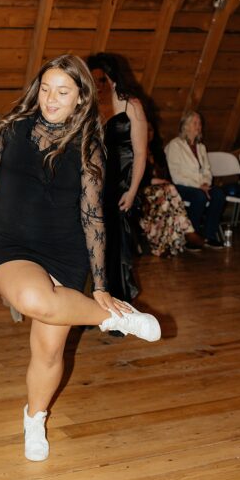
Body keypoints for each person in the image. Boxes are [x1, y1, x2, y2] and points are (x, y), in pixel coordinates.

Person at [0, 55, 161, 464]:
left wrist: (101, 284)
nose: (50, 99)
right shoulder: (14, 129)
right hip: (11, 243)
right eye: (46, 89)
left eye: (62, 92)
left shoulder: (88, 146)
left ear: (81, 98)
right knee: (34, 300)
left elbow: (91, 216)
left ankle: (35, 417)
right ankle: (115, 319)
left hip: (66, 250)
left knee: (50, 350)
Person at [87, 53, 147, 303]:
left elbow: (141, 152)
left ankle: (118, 309)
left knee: (114, 250)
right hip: (98, 186)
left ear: (110, 77)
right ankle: (95, 308)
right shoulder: (92, 107)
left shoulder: (132, 104)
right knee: (95, 249)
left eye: (99, 77)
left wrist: (132, 191)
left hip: (122, 185)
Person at [139, 125, 203, 257]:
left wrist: (162, 182)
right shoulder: (135, 150)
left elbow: (167, 175)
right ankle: (187, 230)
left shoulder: (157, 152)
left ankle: (162, 246)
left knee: (168, 203)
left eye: (151, 130)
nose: (149, 133)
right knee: (170, 191)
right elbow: (133, 176)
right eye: (146, 130)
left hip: (163, 190)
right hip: (142, 189)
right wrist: (153, 181)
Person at [165, 111, 226, 249]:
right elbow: (176, 175)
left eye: (200, 123)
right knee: (199, 197)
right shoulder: (175, 145)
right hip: (181, 186)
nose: (199, 126)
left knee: (218, 194)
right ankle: (191, 236)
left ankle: (209, 235)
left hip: (201, 185)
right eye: (195, 123)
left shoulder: (201, 147)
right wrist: (199, 186)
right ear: (185, 126)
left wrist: (206, 183)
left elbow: (207, 170)